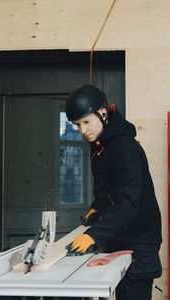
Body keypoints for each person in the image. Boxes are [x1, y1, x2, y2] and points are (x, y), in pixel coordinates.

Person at [65, 84, 162, 300]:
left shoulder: (123, 147)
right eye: (77, 125)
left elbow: (128, 201)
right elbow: (109, 187)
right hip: (122, 235)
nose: (82, 130)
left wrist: (94, 235)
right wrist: (97, 207)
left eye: (86, 122)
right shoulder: (101, 145)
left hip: (139, 241)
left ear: (103, 113)